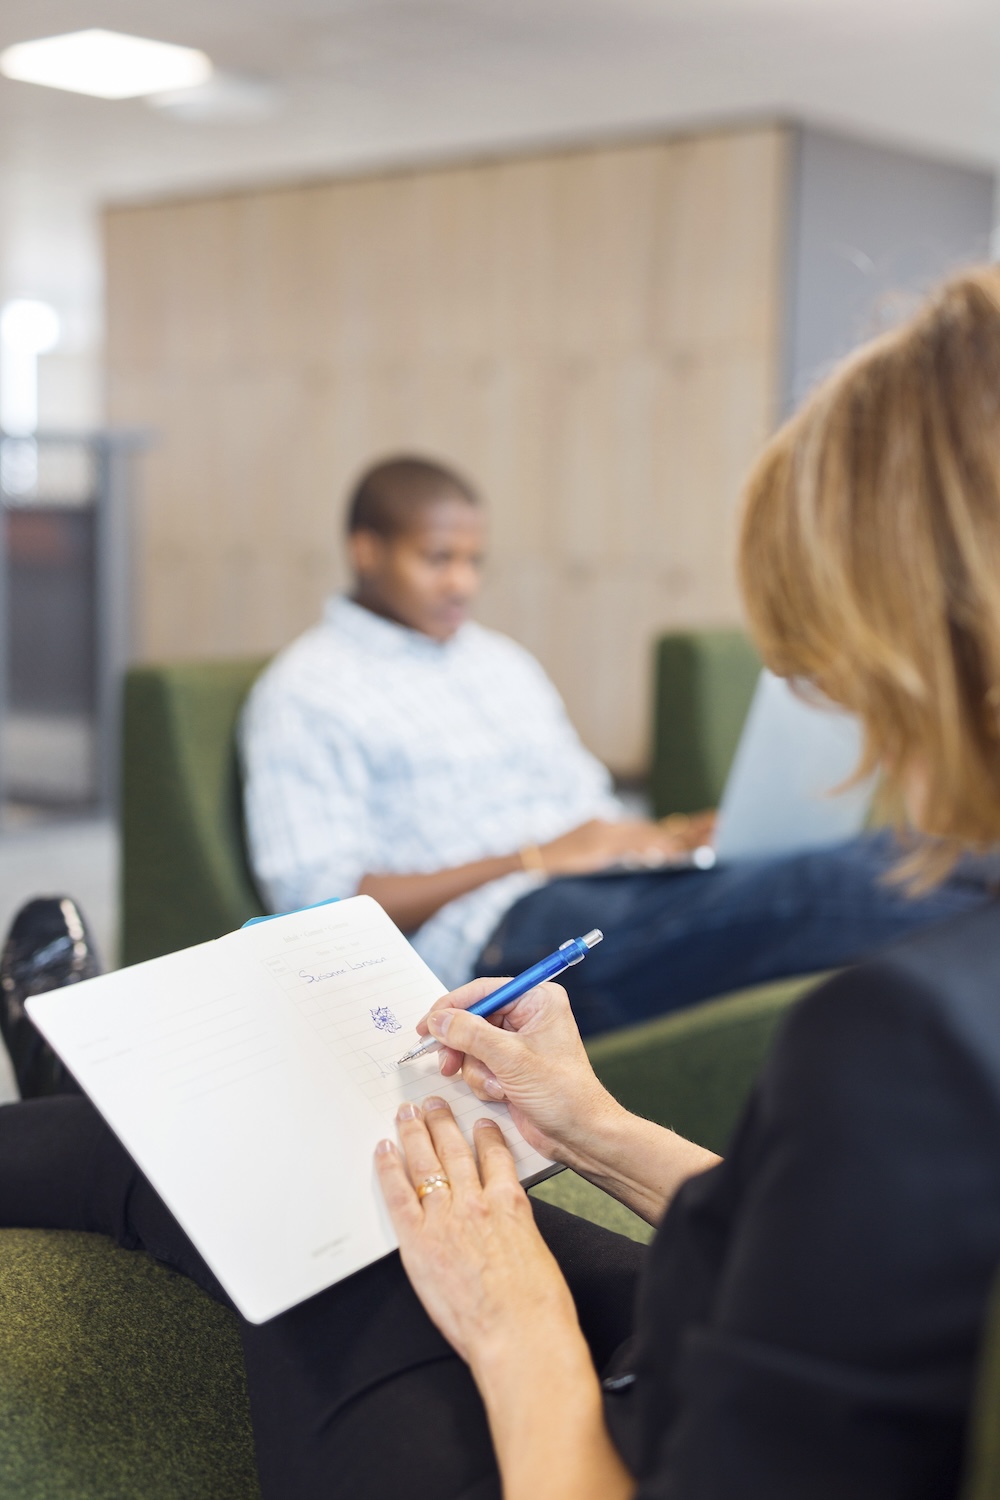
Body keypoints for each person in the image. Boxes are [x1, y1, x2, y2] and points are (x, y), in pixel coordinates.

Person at [6, 263, 1000, 1498]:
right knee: (381, 1164)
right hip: (556, 983)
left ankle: (73, 1078)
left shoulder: (908, 1045)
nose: (849, 722)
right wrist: (600, 1132)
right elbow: (850, 1259)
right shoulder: (311, 688)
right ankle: (80, 1078)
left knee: (307, 1170)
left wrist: (509, 1315)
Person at [240, 455, 993, 1035]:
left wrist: (663, 839)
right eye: (439, 558)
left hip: (603, 892)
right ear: (366, 551)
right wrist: (534, 856)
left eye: (474, 561)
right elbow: (315, 907)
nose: (463, 582)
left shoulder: (500, 661)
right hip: (506, 941)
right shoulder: (307, 691)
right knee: (868, 881)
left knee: (880, 854)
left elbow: (591, 823)